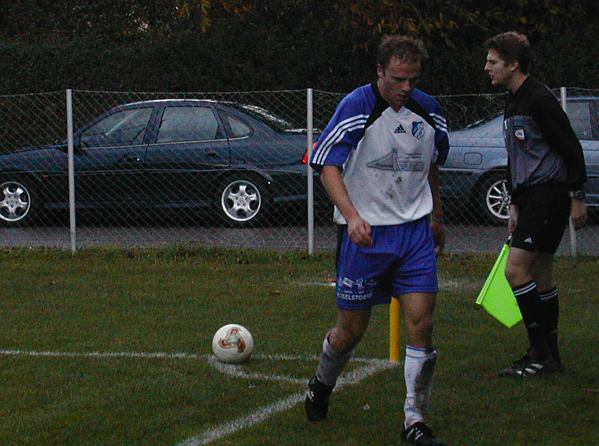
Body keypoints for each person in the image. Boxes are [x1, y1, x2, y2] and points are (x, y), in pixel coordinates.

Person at [305, 35, 448, 446]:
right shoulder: (356, 107)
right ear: (380, 71)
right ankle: (321, 384)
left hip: (414, 233)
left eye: (413, 79)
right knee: (350, 331)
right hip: (365, 236)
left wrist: (437, 216)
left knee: (422, 322)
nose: (406, 87)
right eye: (398, 79)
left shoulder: (430, 111)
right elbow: (327, 165)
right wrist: (352, 216)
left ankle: (415, 420)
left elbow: (432, 165)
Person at [483, 31, 587, 377]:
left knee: (515, 271)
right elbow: (517, 156)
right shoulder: (513, 100)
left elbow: (570, 147)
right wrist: (514, 202)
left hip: (548, 195)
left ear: (513, 64)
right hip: (529, 198)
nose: (487, 67)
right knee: (541, 272)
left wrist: (577, 196)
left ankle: (538, 353)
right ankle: (549, 357)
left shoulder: (539, 99)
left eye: (493, 62)